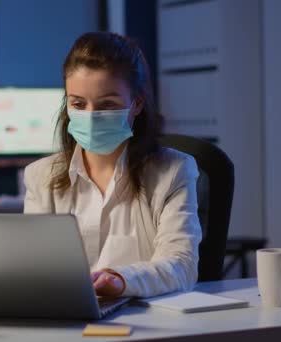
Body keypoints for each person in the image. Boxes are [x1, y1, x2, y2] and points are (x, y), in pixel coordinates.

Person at [24, 31, 201, 298]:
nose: (91, 116)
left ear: (137, 103)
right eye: (78, 104)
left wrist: (121, 280)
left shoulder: (173, 171)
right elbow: (31, 266)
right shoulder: (40, 176)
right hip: (66, 323)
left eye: (107, 104)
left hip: (146, 324)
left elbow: (182, 266)